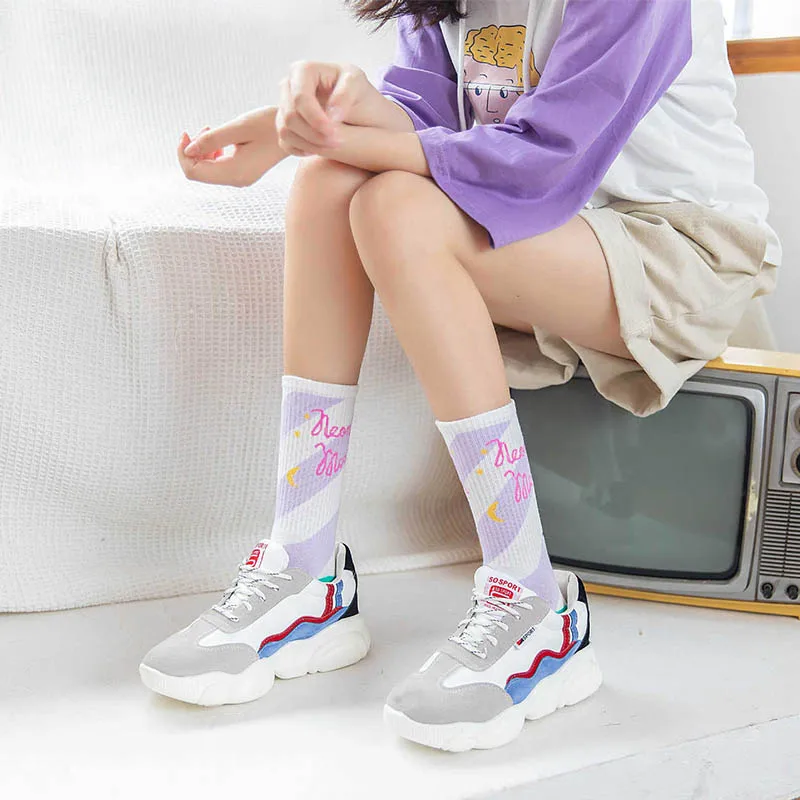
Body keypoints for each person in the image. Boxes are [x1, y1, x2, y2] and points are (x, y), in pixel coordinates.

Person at [138, 0, 781, 752]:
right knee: (328, 182)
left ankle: (532, 600)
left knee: (397, 208)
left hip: (678, 245)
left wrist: (348, 138)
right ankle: (304, 564)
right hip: (557, 229)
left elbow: (545, 159)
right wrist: (318, 120)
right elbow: (427, 121)